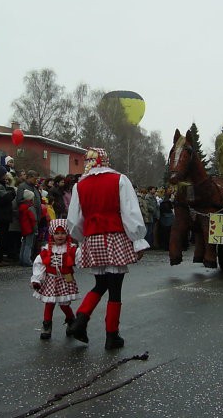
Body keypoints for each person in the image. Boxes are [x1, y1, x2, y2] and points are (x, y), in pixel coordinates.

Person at [67, 147, 149, 350]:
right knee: (115, 287)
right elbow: (129, 212)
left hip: (93, 237)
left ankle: (81, 319)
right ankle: (111, 335)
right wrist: (137, 240)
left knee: (101, 282)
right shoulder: (119, 179)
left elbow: (74, 220)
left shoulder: (80, 185)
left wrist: (80, 239)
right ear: (105, 160)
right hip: (114, 236)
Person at [30, 219, 79, 340]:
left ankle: (71, 321)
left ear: (67, 234)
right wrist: (37, 279)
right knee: (49, 303)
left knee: (64, 304)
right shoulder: (47, 250)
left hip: (66, 278)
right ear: (52, 234)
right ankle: (47, 326)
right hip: (51, 279)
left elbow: (80, 259)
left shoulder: (72, 249)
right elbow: (39, 264)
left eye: (62, 233)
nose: (60, 236)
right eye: (57, 233)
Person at [19, 189, 37, 267]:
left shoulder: (22, 206)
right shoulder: (30, 208)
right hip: (30, 228)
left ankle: (22, 259)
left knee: (24, 244)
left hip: (24, 228)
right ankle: (27, 260)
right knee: (29, 245)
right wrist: (35, 228)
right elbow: (33, 219)